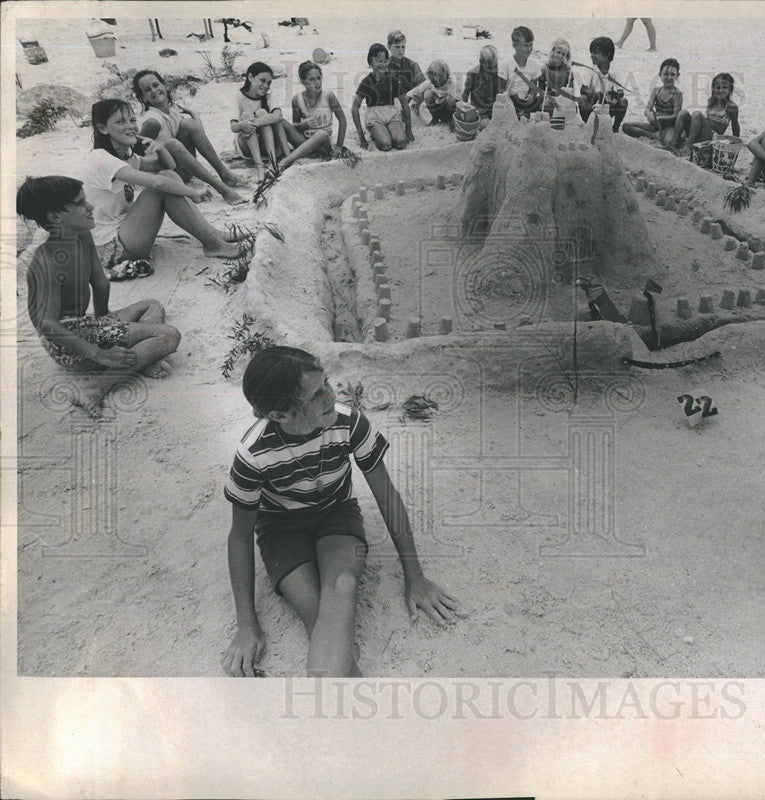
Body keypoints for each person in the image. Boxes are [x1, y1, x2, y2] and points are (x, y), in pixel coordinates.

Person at [221, 347, 466, 677]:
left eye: (326, 383)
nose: (330, 396)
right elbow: (239, 536)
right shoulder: (253, 453)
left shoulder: (349, 422)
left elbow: (386, 496)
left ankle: (335, 713)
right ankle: (347, 706)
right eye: (315, 394)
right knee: (312, 607)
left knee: (342, 587)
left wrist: (415, 575)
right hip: (281, 529)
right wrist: (246, 624)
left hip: (337, 514)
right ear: (280, 414)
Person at [16, 176, 181, 418]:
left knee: (151, 305)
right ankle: (96, 387)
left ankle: (140, 356)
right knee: (169, 336)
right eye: (81, 203)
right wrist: (99, 352)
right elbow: (47, 324)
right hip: (68, 345)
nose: (90, 207)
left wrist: (106, 320)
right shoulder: (48, 259)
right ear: (55, 217)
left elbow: (100, 283)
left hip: (86, 323)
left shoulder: (81, 234)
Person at [82, 99, 247, 276]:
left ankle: (211, 235)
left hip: (125, 231)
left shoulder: (124, 156)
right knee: (162, 187)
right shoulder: (101, 159)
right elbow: (157, 183)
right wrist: (193, 193)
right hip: (112, 248)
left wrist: (160, 149)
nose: (131, 126)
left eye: (132, 120)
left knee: (168, 177)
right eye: (120, 122)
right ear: (103, 129)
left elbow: (167, 167)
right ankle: (213, 244)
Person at [133, 69, 247, 205]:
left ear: (164, 85)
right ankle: (222, 189)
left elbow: (198, 134)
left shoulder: (172, 110)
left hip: (184, 169)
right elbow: (136, 152)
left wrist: (195, 114)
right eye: (147, 90)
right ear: (143, 98)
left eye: (156, 85)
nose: (154, 91)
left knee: (187, 123)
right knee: (171, 144)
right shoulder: (153, 121)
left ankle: (224, 174)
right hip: (167, 174)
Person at [230, 62, 298, 181]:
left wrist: (255, 123)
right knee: (246, 115)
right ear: (250, 77)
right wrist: (243, 124)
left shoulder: (269, 96)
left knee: (263, 113)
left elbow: (278, 116)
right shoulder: (238, 96)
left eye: (269, 82)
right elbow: (233, 127)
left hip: (267, 145)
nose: (266, 85)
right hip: (247, 146)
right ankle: (259, 166)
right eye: (262, 80)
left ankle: (272, 161)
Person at [279, 60, 348, 171]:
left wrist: (339, 146)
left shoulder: (328, 96)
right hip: (303, 142)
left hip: (323, 145)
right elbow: (295, 125)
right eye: (311, 79)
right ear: (303, 81)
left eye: (319, 78)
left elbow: (343, 120)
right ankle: (287, 154)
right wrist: (303, 125)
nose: (317, 82)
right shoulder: (297, 99)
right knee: (280, 121)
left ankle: (287, 160)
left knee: (322, 134)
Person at [351, 43, 414, 151]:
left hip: (391, 115)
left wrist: (408, 130)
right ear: (371, 62)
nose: (383, 64)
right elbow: (354, 108)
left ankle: (386, 131)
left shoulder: (392, 80)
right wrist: (361, 136)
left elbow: (405, 104)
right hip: (374, 117)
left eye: (386, 61)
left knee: (401, 142)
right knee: (386, 145)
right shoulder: (366, 82)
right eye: (379, 61)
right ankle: (376, 132)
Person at [671, 72, 740, 156]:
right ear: (713, 88)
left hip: (711, 138)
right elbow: (707, 120)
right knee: (683, 112)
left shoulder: (732, 107)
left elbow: (735, 125)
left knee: (697, 114)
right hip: (699, 133)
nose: (721, 90)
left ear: (730, 90)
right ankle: (673, 144)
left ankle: (688, 148)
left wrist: (736, 143)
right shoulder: (711, 101)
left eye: (725, 88)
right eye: (718, 87)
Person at [621, 58, 682, 148]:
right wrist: (649, 114)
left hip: (668, 126)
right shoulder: (656, 90)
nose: (669, 77)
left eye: (672, 74)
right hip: (654, 126)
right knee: (626, 126)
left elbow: (676, 116)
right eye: (665, 74)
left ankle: (655, 136)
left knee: (668, 142)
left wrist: (659, 118)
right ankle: (654, 136)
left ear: (677, 75)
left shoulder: (677, 93)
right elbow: (648, 107)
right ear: (660, 75)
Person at [577, 36, 628, 133]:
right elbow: (583, 89)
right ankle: (588, 124)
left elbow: (621, 92)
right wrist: (594, 94)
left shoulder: (616, 70)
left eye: (596, 53)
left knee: (623, 101)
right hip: (593, 101)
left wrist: (612, 96)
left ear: (607, 55)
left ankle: (615, 128)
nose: (592, 56)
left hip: (608, 103)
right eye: (591, 53)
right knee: (582, 99)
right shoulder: (590, 68)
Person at [499, 25, 543, 118]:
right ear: (514, 45)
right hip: (511, 100)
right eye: (525, 45)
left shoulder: (534, 65)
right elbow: (501, 89)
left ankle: (525, 114)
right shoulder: (506, 64)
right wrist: (512, 97)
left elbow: (533, 88)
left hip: (526, 101)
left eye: (531, 44)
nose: (529, 48)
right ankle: (520, 115)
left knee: (543, 101)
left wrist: (531, 96)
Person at [407, 59, 460, 126]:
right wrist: (404, 108)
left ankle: (450, 120)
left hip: (451, 111)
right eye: (432, 80)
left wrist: (457, 119)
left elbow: (460, 102)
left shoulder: (452, 84)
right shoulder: (430, 82)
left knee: (451, 99)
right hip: (437, 110)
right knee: (428, 94)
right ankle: (435, 119)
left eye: (435, 80)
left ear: (443, 77)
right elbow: (410, 94)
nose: (433, 82)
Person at [462, 45, 502, 123]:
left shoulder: (499, 74)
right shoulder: (472, 74)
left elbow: (503, 92)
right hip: (480, 110)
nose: (494, 70)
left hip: (495, 109)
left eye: (496, 66)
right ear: (481, 62)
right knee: (486, 124)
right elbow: (465, 94)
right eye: (489, 68)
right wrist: (461, 111)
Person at [537, 39, 575, 115]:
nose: (560, 56)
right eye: (558, 52)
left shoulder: (568, 71)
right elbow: (541, 91)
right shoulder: (544, 69)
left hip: (563, 100)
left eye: (563, 54)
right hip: (548, 100)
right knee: (547, 105)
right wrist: (551, 98)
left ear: (566, 56)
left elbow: (570, 90)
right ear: (553, 52)